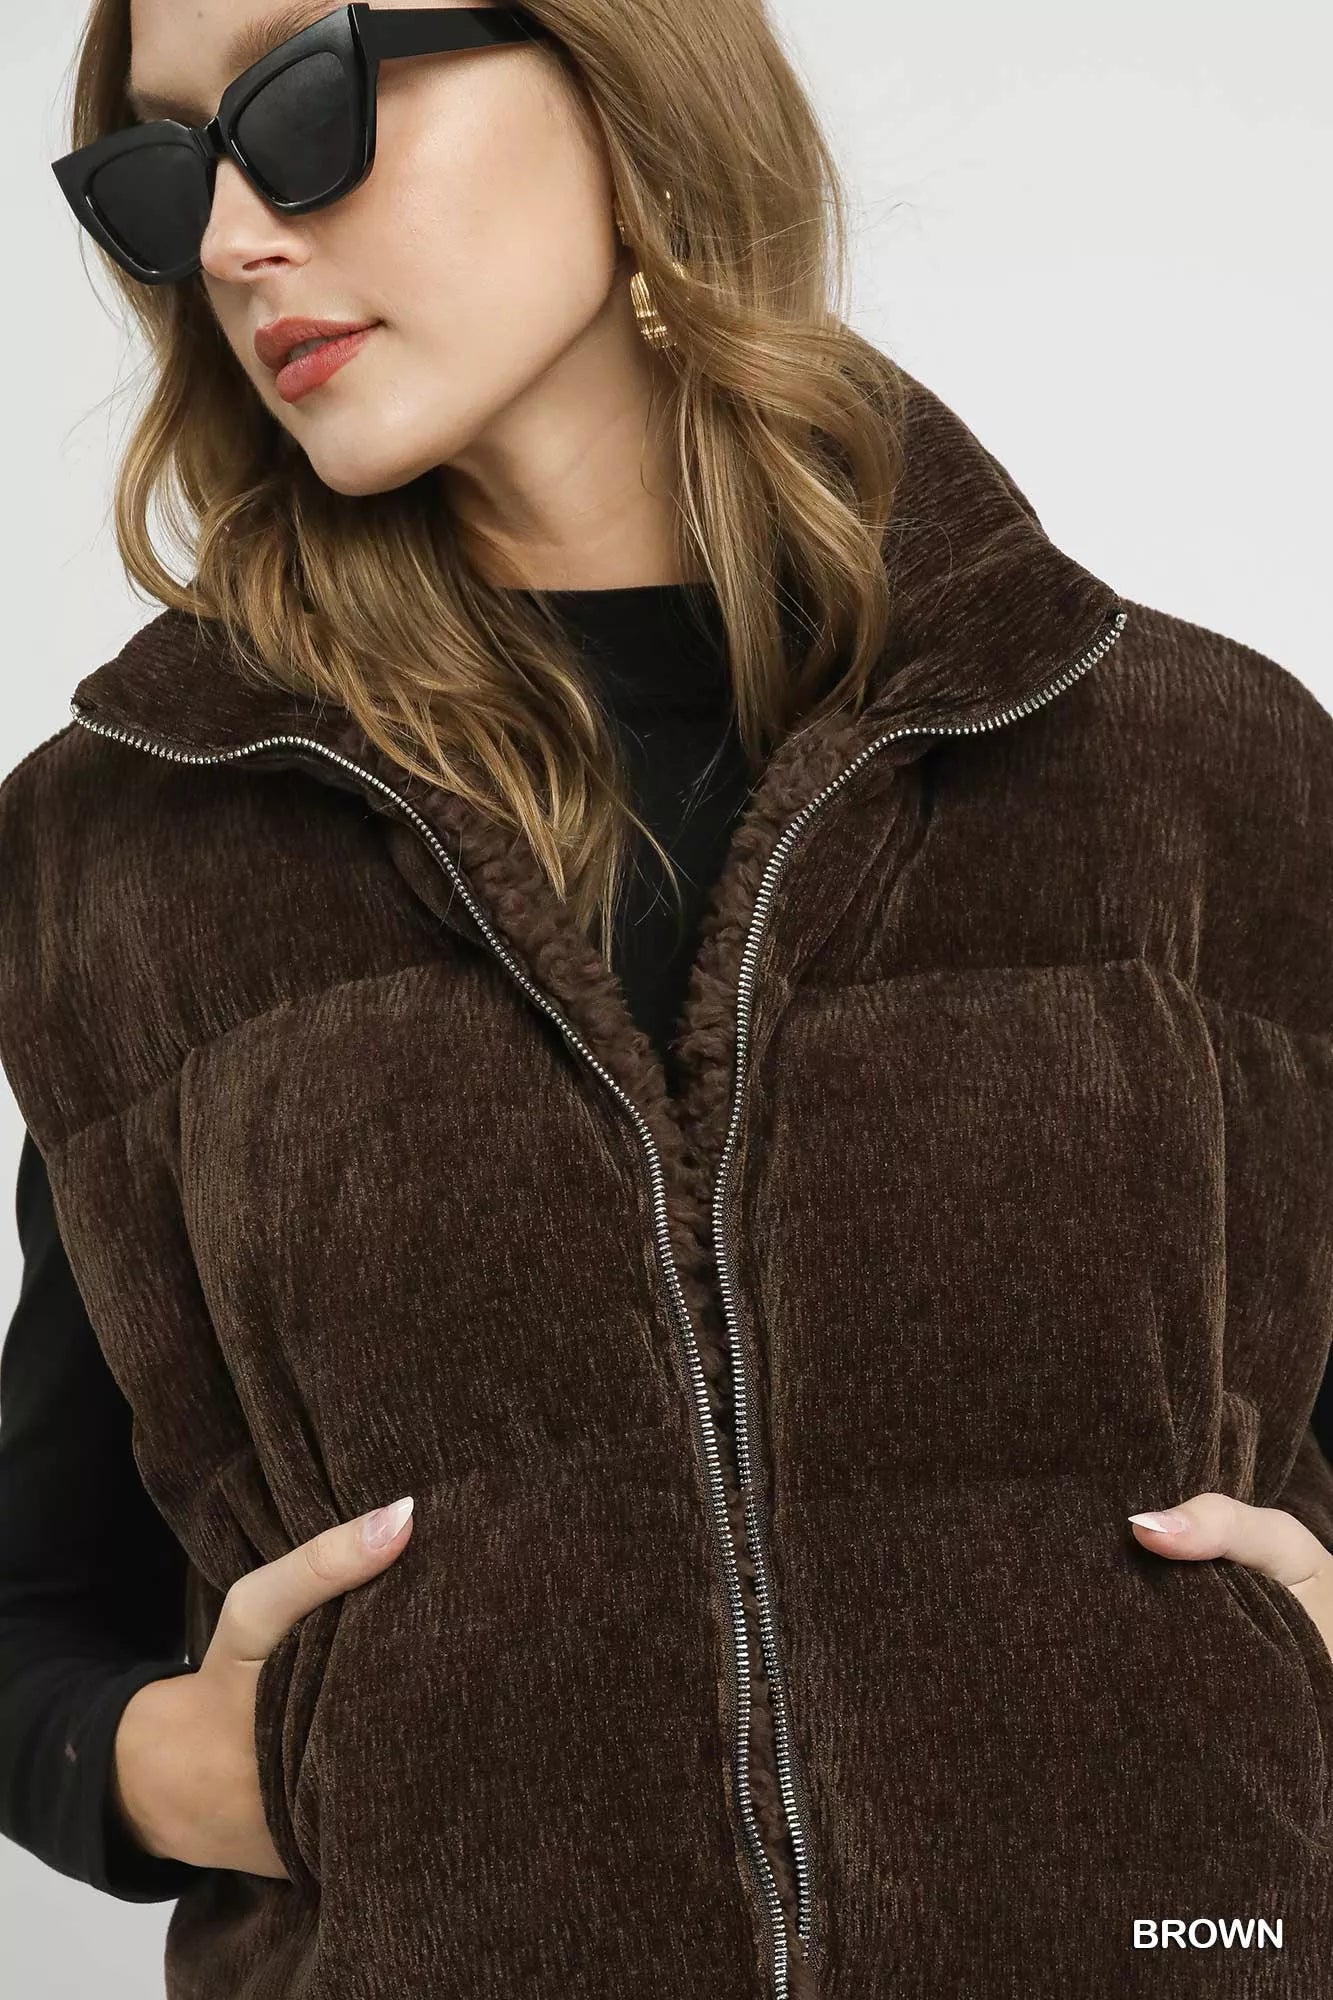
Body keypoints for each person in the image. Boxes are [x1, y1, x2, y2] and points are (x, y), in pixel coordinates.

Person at [2, 2, 1332, 1996]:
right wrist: (176, 1769)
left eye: (303, 101)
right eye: (159, 171)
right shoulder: (131, 847)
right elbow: (35, 1595)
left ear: (621, 71)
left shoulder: (1194, 763)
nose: (229, 239)